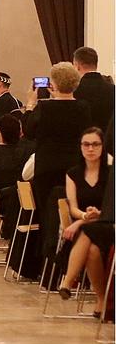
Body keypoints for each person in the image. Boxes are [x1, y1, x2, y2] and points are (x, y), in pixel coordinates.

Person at [23, 61, 93, 251]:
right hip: (74, 167)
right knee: (71, 211)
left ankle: (48, 255)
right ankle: (69, 253)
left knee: (47, 214)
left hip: (47, 166)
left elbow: (28, 132)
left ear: (52, 84)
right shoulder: (83, 107)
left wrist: (30, 104)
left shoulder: (44, 107)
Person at [58, 127, 111, 312]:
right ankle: (102, 300)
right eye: (86, 144)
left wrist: (85, 220)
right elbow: (73, 207)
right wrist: (84, 216)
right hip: (85, 225)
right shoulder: (73, 174)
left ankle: (67, 281)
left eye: (95, 144)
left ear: (102, 147)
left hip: (107, 223)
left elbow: (112, 208)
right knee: (92, 251)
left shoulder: (111, 173)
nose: (90, 148)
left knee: (89, 233)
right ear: (80, 147)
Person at [72, 46, 114, 131]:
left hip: (83, 137)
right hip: (107, 137)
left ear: (77, 66)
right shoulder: (112, 89)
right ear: (96, 64)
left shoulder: (74, 90)